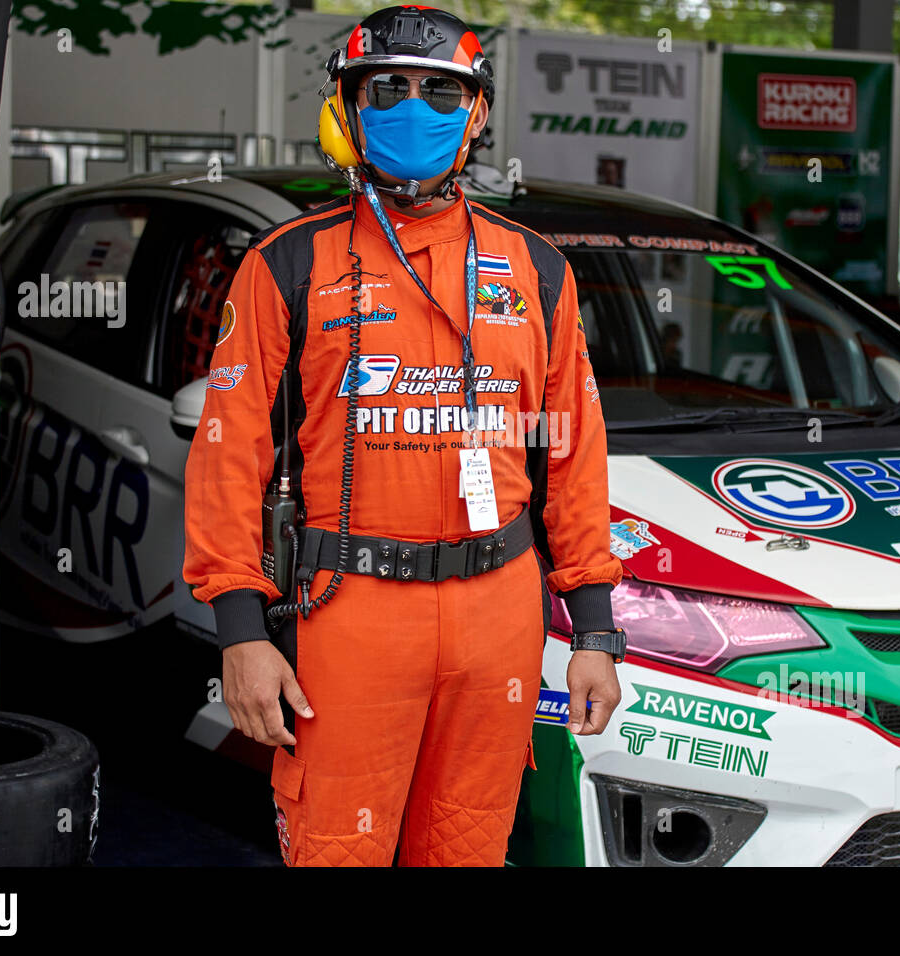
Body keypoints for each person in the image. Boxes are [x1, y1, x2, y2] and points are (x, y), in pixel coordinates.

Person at [182, 4, 625, 867]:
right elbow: (228, 454)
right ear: (343, 111)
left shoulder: (536, 267)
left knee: (468, 851)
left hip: (500, 609)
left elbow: (574, 453)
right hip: (349, 609)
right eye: (386, 87)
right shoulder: (288, 262)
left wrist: (596, 631)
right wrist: (239, 632)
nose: (412, 107)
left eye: (439, 91)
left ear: (478, 115)